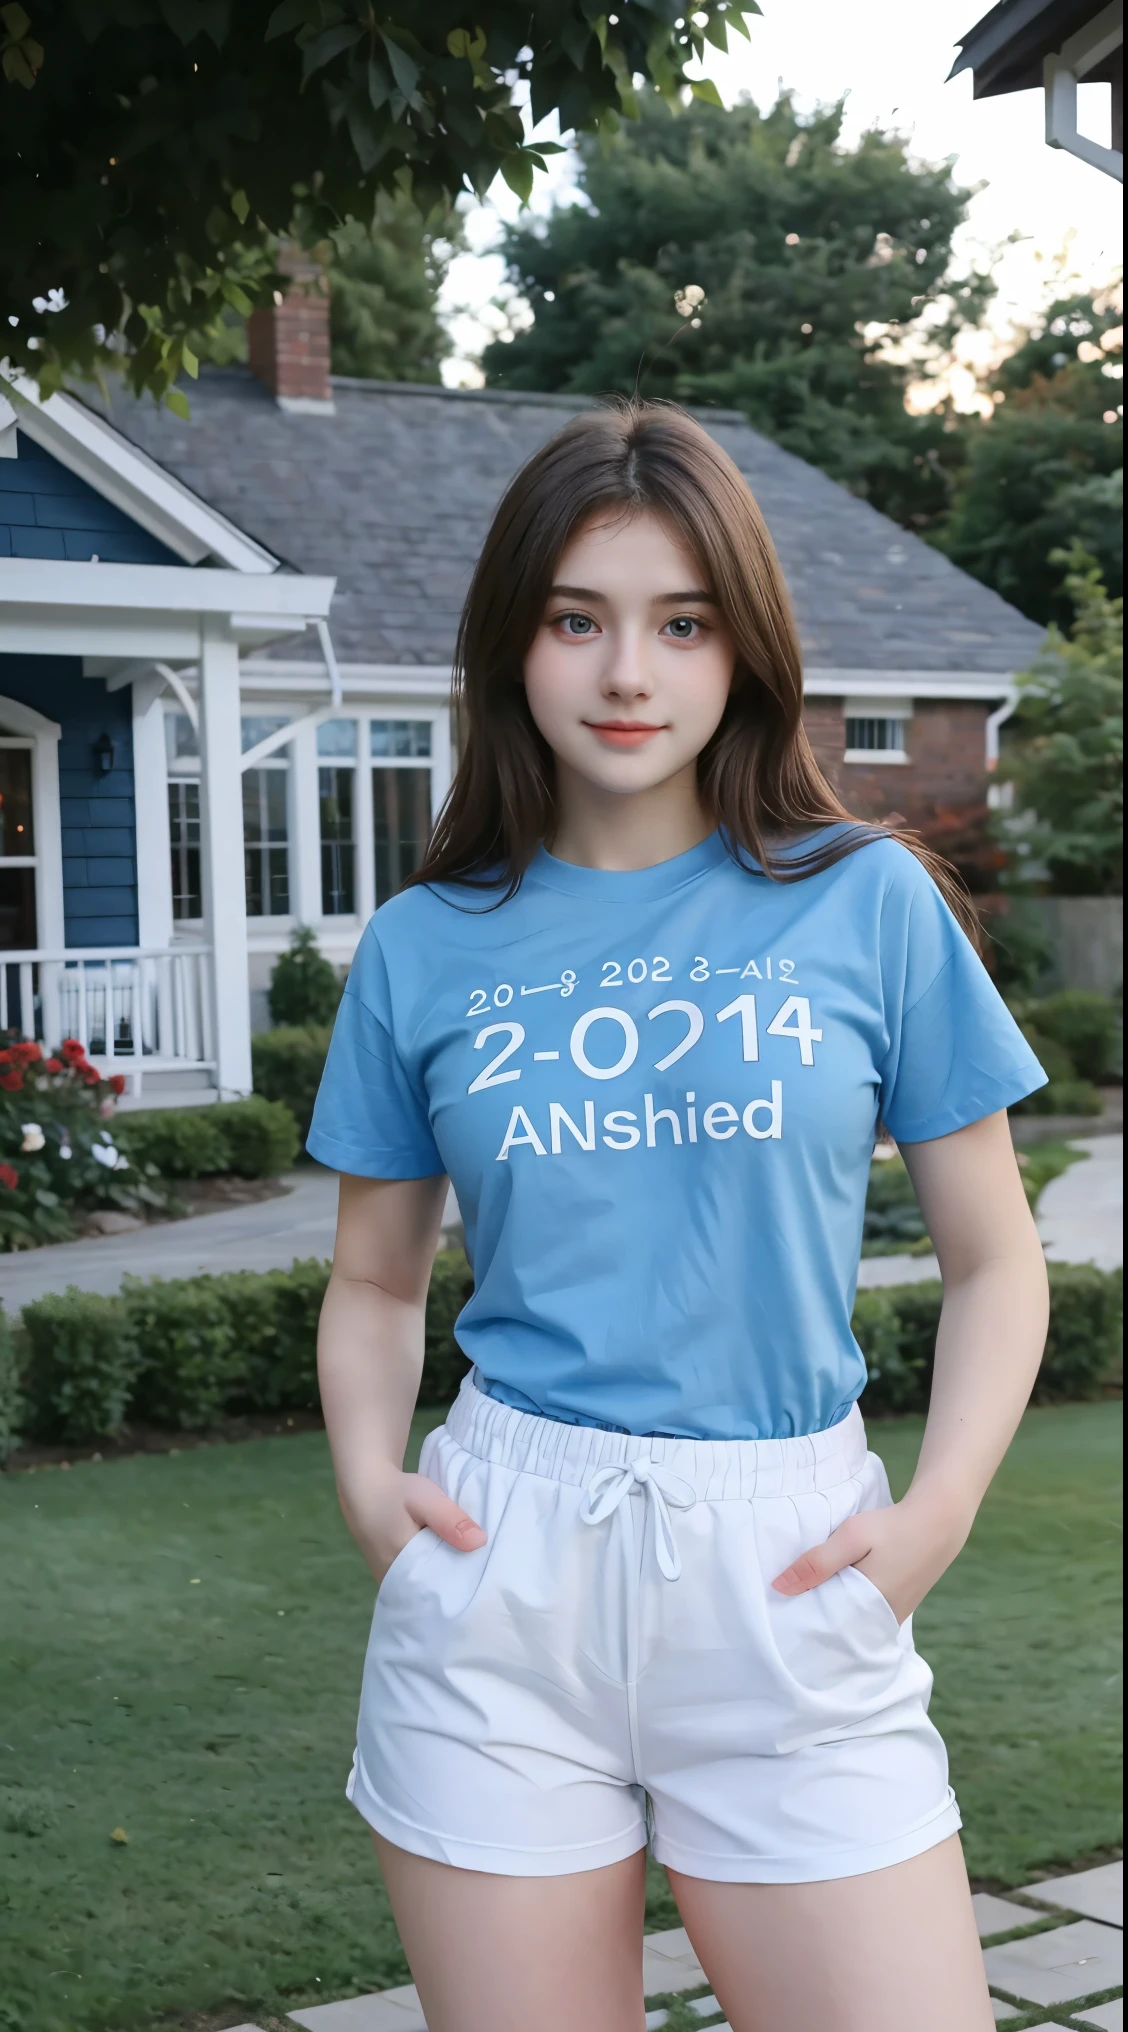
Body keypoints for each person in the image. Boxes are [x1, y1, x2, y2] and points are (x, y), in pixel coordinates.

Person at [307, 401, 1049, 2032]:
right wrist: (373, 1484)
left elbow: (1000, 1262)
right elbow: (373, 1282)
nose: (626, 673)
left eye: (680, 621)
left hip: (789, 1567)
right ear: (516, 643)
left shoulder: (867, 903)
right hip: (504, 1574)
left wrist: (931, 1522)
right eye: (579, 619)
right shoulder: (427, 946)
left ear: (744, 648)